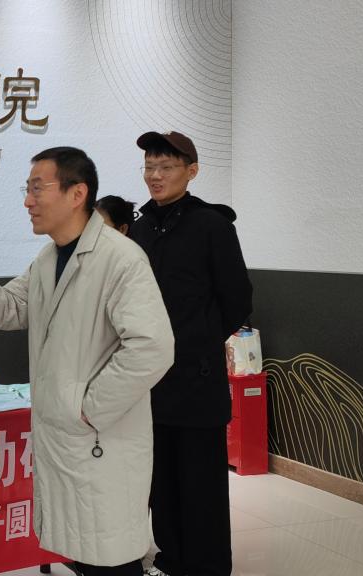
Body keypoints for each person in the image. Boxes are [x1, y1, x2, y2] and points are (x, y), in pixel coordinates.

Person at [0, 147, 174, 576]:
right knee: (84, 551)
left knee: (110, 557)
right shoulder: (49, 258)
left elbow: (153, 347)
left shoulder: (120, 258)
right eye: (27, 189)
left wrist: (89, 406)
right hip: (67, 437)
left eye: (38, 189)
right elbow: (10, 309)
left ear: (77, 194)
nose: (28, 201)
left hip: (101, 435)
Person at [129, 131, 252, 576]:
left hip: (197, 382)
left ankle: (207, 567)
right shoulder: (139, 229)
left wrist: (199, 342)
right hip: (149, 383)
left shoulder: (212, 226)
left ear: (192, 171)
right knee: (161, 484)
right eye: (149, 167)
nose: (155, 176)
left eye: (165, 167)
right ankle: (171, 561)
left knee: (201, 486)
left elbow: (238, 300)